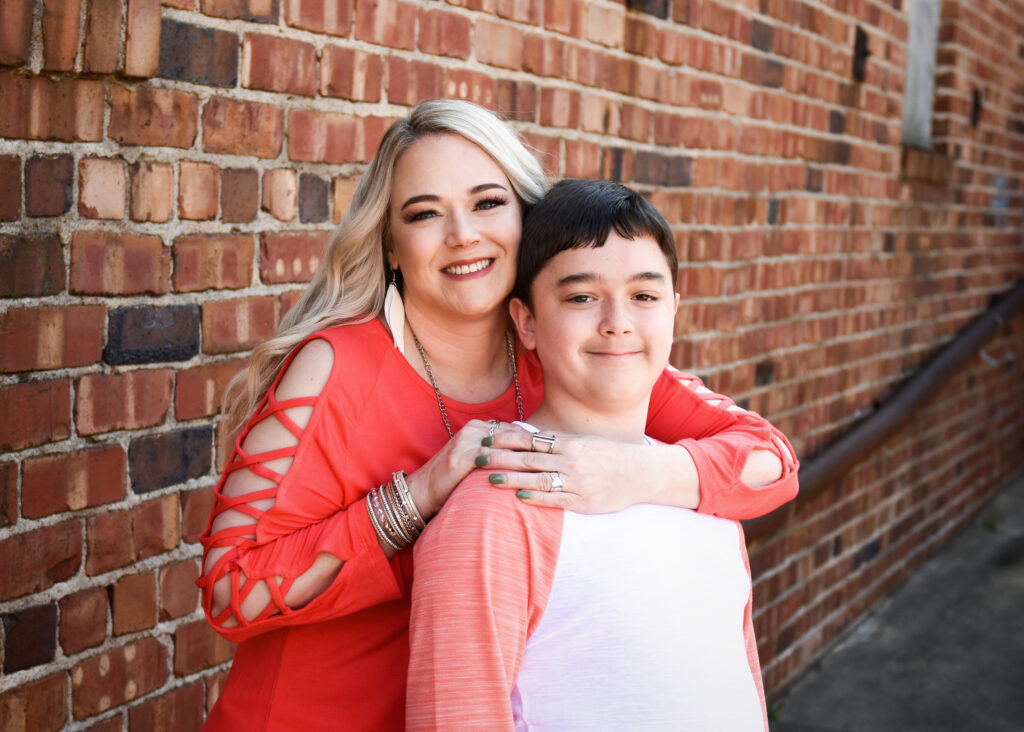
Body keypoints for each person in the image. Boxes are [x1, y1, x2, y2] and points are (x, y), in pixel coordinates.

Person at [198, 100, 798, 730]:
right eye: (425, 214)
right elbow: (228, 592)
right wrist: (420, 494)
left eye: (488, 203)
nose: (463, 235)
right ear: (392, 247)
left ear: (522, 218)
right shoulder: (336, 366)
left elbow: (769, 462)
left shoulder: (567, 350)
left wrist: (626, 476)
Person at [407, 179, 774, 731]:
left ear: (674, 310)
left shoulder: (701, 493)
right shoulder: (499, 510)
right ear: (526, 322)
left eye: (644, 296)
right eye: (581, 297)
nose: (618, 321)